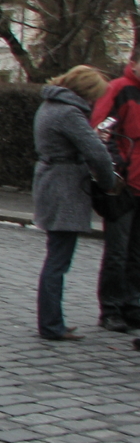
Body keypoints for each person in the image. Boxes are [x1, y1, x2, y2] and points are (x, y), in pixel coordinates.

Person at [33, 66, 117, 341]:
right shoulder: (69, 112)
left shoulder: (50, 105)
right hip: (64, 186)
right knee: (58, 260)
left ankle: (51, 320)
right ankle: (51, 323)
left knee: (56, 256)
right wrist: (108, 183)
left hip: (50, 180)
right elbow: (98, 154)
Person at [90, 46, 140, 332]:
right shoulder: (119, 89)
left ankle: (131, 304)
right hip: (124, 185)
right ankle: (111, 309)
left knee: (136, 252)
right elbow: (101, 129)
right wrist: (118, 165)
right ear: (133, 63)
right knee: (118, 252)